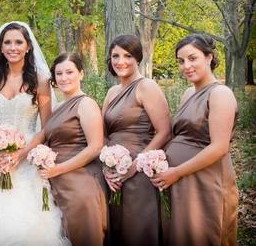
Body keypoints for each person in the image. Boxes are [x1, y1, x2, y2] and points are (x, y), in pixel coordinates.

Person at [0, 21, 67, 246]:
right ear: (0, 47)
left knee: (27, 222)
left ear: (28, 46)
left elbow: (46, 127)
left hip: (26, 157)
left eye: (18, 42)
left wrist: (22, 153)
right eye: (7, 42)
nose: (12, 47)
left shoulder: (39, 81)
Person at [151, 34, 238, 246]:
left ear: (208, 57)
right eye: (181, 61)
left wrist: (176, 172)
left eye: (192, 58)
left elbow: (219, 148)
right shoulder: (188, 93)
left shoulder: (220, 94)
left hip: (206, 180)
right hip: (180, 181)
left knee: (202, 234)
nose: (186, 66)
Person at [25, 53, 107, 246]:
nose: (64, 78)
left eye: (69, 72)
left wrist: (58, 169)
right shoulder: (59, 106)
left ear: (81, 74)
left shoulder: (86, 104)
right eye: (59, 73)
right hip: (59, 182)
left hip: (80, 183)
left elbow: (95, 147)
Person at [102, 35, 171, 246]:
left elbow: (164, 131)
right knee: (117, 227)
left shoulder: (146, 87)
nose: (120, 61)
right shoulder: (113, 91)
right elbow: (104, 133)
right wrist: (106, 167)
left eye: (127, 55)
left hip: (139, 170)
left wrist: (135, 165)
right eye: (115, 56)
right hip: (113, 171)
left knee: (137, 228)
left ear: (138, 58)